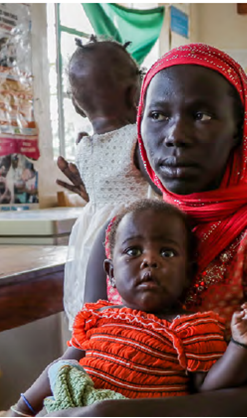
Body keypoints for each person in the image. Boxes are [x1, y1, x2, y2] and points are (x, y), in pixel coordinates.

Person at [81, 44, 247, 417]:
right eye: (158, 114)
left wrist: (109, 414)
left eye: (202, 115)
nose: (176, 135)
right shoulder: (120, 229)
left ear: (238, 130)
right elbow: (83, 349)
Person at [10, 200, 247, 416]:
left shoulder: (193, 327)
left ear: (187, 274)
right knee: (61, 369)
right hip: (75, 408)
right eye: (133, 251)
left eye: (167, 253)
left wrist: (242, 347)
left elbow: (209, 388)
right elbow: (64, 366)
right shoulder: (97, 317)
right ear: (111, 273)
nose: (149, 261)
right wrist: (21, 410)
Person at [60, 38, 155, 328]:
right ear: (135, 92)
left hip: (92, 236)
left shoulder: (84, 146)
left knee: (99, 309)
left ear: (77, 104)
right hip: (132, 233)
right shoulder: (137, 139)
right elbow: (161, 192)